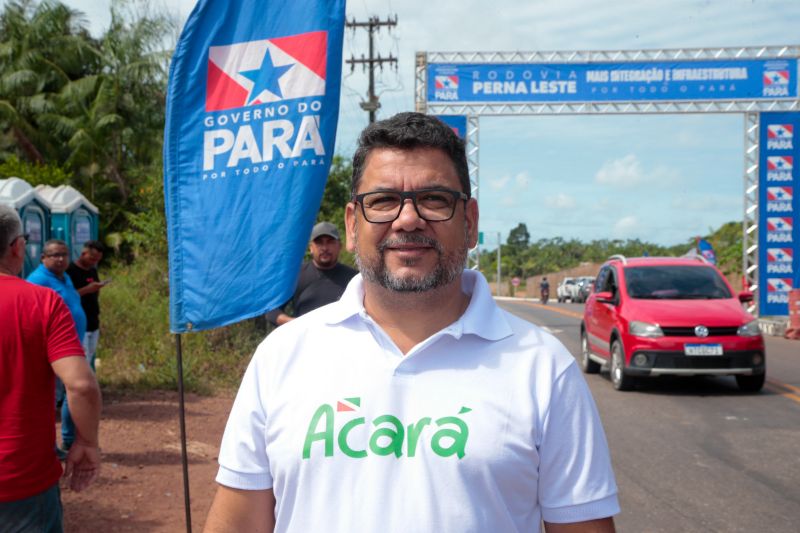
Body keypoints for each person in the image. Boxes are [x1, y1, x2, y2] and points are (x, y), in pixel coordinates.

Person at [204, 113, 619, 532]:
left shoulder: (543, 367)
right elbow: (238, 522)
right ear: (352, 224)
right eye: (383, 200)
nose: (407, 219)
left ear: (470, 222)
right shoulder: (282, 356)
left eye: (434, 199)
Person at [0, 205, 102, 531]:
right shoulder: (41, 301)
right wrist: (87, 442)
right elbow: (81, 385)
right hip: (21, 482)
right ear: (18, 247)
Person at [27, 239, 88, 453]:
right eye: (55, 255)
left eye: (64, 254)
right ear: (43, 258)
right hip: (53, 351)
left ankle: (68, 440)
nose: (61, 259)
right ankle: (48, 446)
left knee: (71, 393)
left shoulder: (65, 277)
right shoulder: (37, 281)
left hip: (73, 346)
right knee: (51, 398)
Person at [265, 221, 357, 326]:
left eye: (330, 242)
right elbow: (272, 311)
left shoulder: (354, 279)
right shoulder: (295, 276)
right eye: (319, 243)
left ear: (340, 246)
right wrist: (298, 325)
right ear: (311, 247)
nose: (324, 248)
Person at [67, 240, 108, 371]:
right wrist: (87, 289)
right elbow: (66, 296)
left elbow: (95, 292)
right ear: (83, 253)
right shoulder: (70, 271)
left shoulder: (92, 270)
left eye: (97, 260)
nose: (94, 262)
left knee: (89, 357)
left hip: (93, 321)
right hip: (78, 323)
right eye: (92, 258)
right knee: (80, 359)